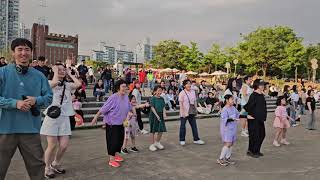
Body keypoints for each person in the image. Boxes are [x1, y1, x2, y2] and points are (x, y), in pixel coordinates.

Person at [0, 38, 53, 180]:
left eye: (27, 49)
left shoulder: (39, 75)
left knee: (37, 170)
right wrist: (14, 103)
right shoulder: (2, 73)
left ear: (31, 53)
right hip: (5, 130)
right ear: (13, 53)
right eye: (20, 49)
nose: (23, 53)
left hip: (30, 130)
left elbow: (49, 97)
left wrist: (37, 100)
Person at [41, 63, 82, 178]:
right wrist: (55, 72)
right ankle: (47, 167)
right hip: (52, 117)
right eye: (59, 69)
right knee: (52, 145)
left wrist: (69, 73)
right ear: (53, 71)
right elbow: (53, 83)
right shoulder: (48, 82)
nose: (62, 71)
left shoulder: (67, 85)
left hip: (64, 117)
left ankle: (56, 163)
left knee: (64, 145)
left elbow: (78, 84)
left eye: (63, 69)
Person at [91, 79, 131, 168]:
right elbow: (103, 109)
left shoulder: (126, 97)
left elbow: (129, 107)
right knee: (113, 142)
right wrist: (95, 117)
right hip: (112, 124)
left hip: (121, 123)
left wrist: (130, 114)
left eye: (126, 86)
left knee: (120, 141)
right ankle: (111, 160)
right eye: (123, 87)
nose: (125, 88)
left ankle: (116, 156)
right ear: (118, 88)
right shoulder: (113, 97)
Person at [244, 79, 267, 158]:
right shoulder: (254, 95)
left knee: (262, 135)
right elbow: (248, 106)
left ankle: (256, 150)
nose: (263, 86)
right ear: (257, 85)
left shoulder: (261, 95)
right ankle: (252, 151)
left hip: (260, 119)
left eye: (263, 84)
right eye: (261, 85)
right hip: (253, 119)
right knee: (255, 135)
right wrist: (248, 115)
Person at [179, 79, 205, 146]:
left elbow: (195, 101)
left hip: (191, 111)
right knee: (183, 126)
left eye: (190, 83)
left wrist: (196, 109)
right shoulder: (182, 93)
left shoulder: (193, 92)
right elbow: (181, 104)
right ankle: (182, 140)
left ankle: (196, 139)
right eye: (187, 84)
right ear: (184, 85)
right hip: (184, 112)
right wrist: (183, 113)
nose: (189, 85)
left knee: (194, 126)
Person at [217, 94, 240, 166]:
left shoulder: (233, 108)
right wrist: (232, 119)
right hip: (226, 129)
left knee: (231, 143)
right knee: (228, 143)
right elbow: (224, 119)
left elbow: (238, 115)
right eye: (231, 99)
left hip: (233, 128)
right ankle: (220, 159)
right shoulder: (224, 109)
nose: (233, 101)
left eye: (233, 99)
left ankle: (227, 158)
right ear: (227, 100)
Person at [148, 86, 168, 151]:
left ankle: (157, 142)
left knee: (161, 129)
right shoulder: (153, 98)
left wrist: (164, 113)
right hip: (154, 116)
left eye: (161, 90)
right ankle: (152, 144)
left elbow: (163, 107)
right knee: (153, 130)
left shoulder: (162, 98)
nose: (159, 92)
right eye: (158, 90)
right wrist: (157, 116)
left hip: (161, 115)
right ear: (155, 91)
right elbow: (152, 107)